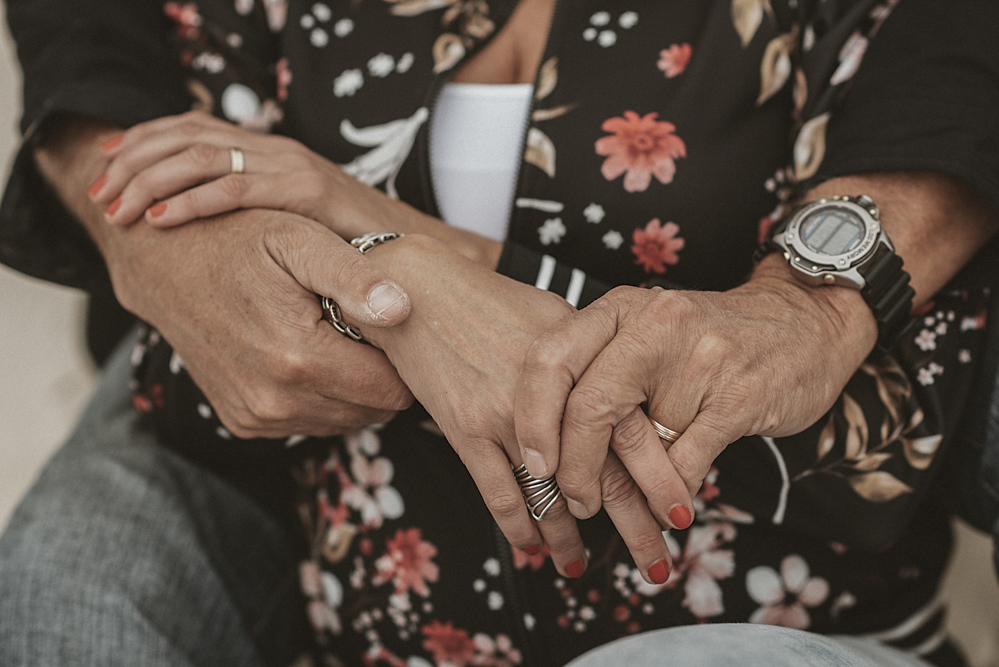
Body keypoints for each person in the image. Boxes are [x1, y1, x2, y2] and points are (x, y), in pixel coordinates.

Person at [1, 0, 997, 666]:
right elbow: (191, 369)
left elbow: (875, 446)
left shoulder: (863, 32)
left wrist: (397, 248)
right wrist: (405, 307)